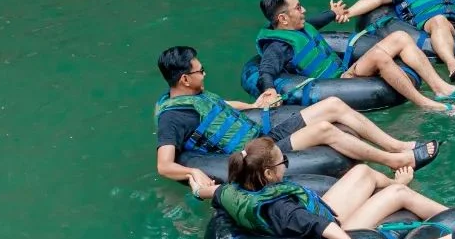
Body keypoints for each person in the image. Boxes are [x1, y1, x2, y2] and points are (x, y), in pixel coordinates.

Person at [154, 46, 439, 192]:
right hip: (255, 154)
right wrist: (192, 172)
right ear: (185, 78)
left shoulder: (190, 96)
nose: (204, 74)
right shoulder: (173, 117)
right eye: (200, 71)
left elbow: (221, 105)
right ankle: (395, 161)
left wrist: (253, 104)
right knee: (326, 129)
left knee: (334, 105)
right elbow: (164, 165)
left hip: (261, 136)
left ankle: (397, 145)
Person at [191, 137, 449, 239]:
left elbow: (210, 192)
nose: (286, 167)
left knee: (362, 172)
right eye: (284, 162)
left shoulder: (231, 190)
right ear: (268, 174)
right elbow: (322, 227)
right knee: (398, 196)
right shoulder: (283, 209)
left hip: (323, 210)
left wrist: (196, 187)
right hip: (340, 226)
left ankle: (396, 182)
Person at [256, 0, 455, 115]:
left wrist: (333, 13)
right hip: (338, 84)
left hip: (346, 73)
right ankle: (425, 104)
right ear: (282, 19)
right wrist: (269, 90)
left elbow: (316, 21)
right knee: (380, 56)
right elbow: (266, 69)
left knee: (399, 37)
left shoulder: (297, 27)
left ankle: (440, 88)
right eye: (297, 8)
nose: (303, 10)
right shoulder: (278, 46)